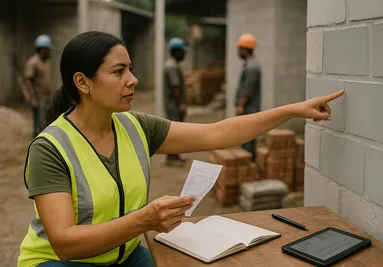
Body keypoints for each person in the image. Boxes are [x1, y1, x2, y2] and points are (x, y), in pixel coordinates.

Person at [18, 31, 344, 267]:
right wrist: (144, 220)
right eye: (119, 72)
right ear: (83, 82)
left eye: (130, 68)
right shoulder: (50, 149)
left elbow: (218, 133)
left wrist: (291, 110)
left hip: (123, 254)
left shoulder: (135, 127)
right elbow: (63, 243)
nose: (133, 80)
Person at [235, 33, 261, 162]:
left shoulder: (252, 67)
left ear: (245, 49)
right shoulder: (248, 65)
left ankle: (250, 162)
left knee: (248, 137)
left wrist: (241, 106)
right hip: (248, 107)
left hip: (249, 108)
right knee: (244, 136)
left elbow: (247, 90)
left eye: (239, 49)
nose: (238, 52)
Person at [24, 34, 55, 137]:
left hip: (47, 96)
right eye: (48, 49)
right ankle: (38, 140)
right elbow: (28, 80)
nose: (50, 51)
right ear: (42, 49)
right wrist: (33, 98)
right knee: (39, 120)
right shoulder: (33, 62)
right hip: (39, 96)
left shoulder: (45, 62)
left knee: (45, 119)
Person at [163, 37, 187, 167]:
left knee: (176, 131)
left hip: (174, 103)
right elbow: (175, 86)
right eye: (183, 51)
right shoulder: (171, 66)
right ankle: (172, 158)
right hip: (173, 104)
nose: (185, 53)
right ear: (176, 51)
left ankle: (175, 156)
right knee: (173, 132)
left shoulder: (174, 64)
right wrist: (181, 104)